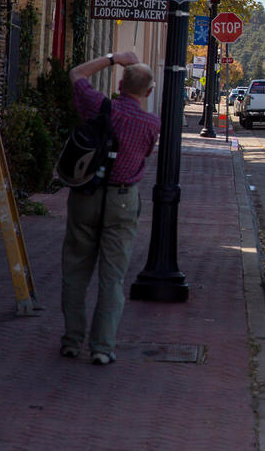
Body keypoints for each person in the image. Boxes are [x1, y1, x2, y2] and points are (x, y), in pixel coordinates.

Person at [61, 51, 159, 366]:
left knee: (76, 269)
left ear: (119, 84)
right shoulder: (150, 123)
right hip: (122, 199)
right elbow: (144, 154)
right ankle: (102, 347)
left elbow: (76, 74)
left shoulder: (99, 106)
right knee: (112, 277)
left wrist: (113, 57)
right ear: (149, 92)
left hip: (87, 193)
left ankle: (72, 341)